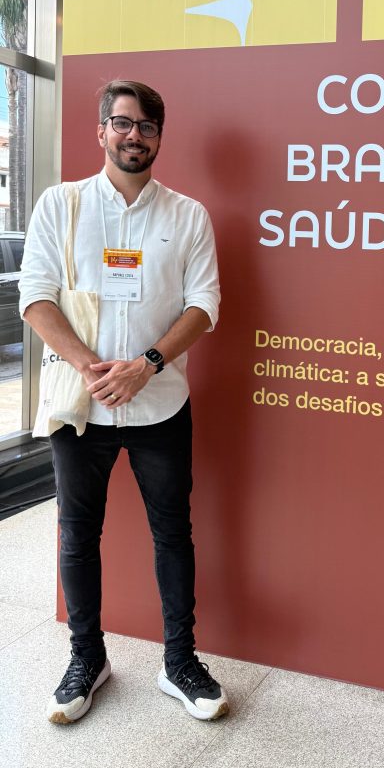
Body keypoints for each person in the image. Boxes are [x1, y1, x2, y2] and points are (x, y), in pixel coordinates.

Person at [19, 80, 228, 724]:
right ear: (102, 131)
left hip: (160, 404)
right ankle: (87, 659)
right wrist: (92, 368)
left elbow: (205, 305)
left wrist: (145, 366)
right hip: (82, 407)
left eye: (146, 126)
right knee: (77, 535)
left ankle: (180, 662)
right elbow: (35, 297)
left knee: (173, 534)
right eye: (123, 123)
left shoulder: (187, 216)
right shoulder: (61, 204)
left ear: (160, 138)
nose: (134, 135)